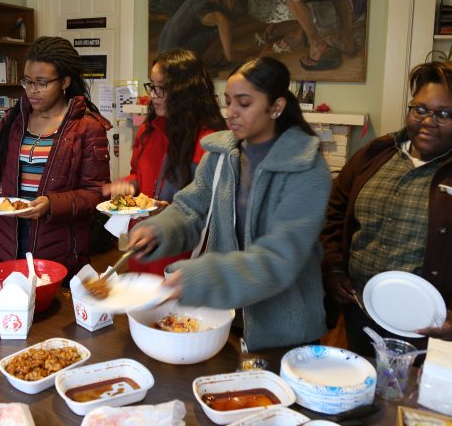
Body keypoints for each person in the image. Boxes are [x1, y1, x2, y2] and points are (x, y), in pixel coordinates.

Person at [128, 57, 331, 350]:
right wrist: (158, 230)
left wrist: (201, 278)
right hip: (223, 317)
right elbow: (190, 209)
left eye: (244, 103)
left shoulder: (306, 168)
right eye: (228, 101)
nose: (231, 113)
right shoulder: (221, 154)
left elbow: (279, 257)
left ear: (276, 107)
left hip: (284, 330)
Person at [322, 61, 452, 355]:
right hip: (363, 314)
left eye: (445, 114)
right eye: (420, 109)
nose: (428, 121)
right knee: (367, 393)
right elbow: (334, 213)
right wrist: (333, 267)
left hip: (441, 331)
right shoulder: (374, 155)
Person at [0, 36, 111, 277]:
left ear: (64, 81)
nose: (32, 91)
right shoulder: (15, 119)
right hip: (8, 241)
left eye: (42, 83)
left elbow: (95, 194)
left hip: (58, 246)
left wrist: (51, 204)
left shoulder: (87, 127)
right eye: (28, 81)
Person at [104, 49, 226, 274]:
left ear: (185, 92)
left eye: (162, 89)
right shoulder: (148, 130)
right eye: (152, 86)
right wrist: (129, 184)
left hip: (183, 259)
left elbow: (213, 212)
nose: (153, 95)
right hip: (142, 248)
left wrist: (169, 213)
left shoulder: (210, 142)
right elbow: (138, 174)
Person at [159, 0, 305, 68]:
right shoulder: (220, 18)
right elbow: (231, 56)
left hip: (164, 42)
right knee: (221, 33)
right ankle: (204, 62)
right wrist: (253, 51)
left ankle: (205, 58)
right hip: (175, 54)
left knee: (220, 32)